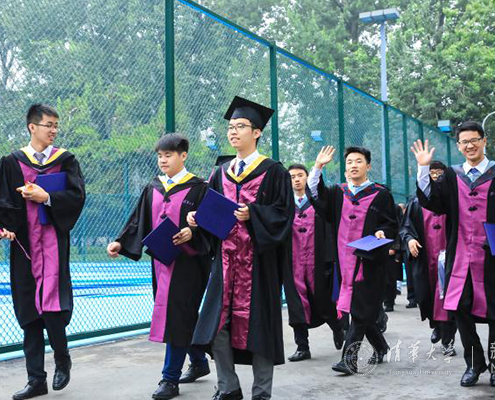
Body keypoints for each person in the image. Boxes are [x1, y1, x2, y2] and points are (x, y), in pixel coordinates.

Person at [411, 121, 495, 388]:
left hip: (494, 258)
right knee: (459, 310)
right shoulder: (452, 176)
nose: (470, 145)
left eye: (474, 140)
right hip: (460, 259)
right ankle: (474, 363)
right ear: (458, 146)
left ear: (484, 141)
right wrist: (423, 168)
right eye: (464, 142)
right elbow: (433, 203)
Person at [188, 96, 294, 400]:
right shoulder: (220, 173)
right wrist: (197, 219)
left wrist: (254, 214)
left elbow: (284, 215)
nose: (233, 131)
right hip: (224, 264)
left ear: (256, 132)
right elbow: (210, 213)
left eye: (241, 126)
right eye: (231, 127)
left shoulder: (274, 171)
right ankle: (228, 386)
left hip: (258, 264)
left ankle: (261, 392)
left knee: (260, 329)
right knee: (216, 326)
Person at [0, 104, 86, 400]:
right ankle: (36, 379)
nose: (53, 130)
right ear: (32, 127)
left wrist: (46, 196)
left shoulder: (65, 160)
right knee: (29, 312)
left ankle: (62, 359)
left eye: (56, 125)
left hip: (52, 244)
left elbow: (77, 196)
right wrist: (2, 229)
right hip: (25, 246)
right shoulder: (12, 162)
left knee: (52, 306)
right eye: (48, 125)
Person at [107, 133, 211, 400]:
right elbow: (138, 220)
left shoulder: (200, 187)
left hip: (188, 263)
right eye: (160, 156)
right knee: (181, 315)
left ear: (183, 156)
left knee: (177, 315)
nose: (163, 160)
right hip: (161, 264)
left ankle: (169, 379)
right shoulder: (153, 187)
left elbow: (212, 223)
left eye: (168, 155)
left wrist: (192, 232)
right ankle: (199, 361)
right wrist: (120, 242)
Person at [307, 145, 398, 375]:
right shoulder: (338, 192)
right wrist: (318, 167)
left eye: (358, 161)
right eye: (349, 162)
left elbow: (390, 224)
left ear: (368, 166)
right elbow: (316, 197)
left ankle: (349, 360)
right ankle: (381, 347)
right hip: (342, 261)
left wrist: (383, 232)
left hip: (369, 262)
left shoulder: (381, 194)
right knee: (361, 309)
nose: (353, 166)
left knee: (359, 309)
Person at [283, 164, 344, 363]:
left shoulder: (318, 202)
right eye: (292, 177)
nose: (296, 180)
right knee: (296, 304)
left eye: (300, 175)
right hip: (293, 262)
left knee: (323, 300)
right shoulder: (284, 205)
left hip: (318, 260)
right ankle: (302, 347)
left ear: (307, 177)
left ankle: (337, 326)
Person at [400, 161, 457, 356]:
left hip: (449, 258)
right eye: (431, 173)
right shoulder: (416, 203)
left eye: (439, 173)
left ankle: (448, 340)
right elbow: (405, 228)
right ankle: (436, 325)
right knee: (427, 295)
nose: (435, 176)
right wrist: (410, 240)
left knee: (449, 297)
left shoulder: (453, 202)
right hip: (425, 258)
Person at [384, 203, 405, 312]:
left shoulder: (395, 208)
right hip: (379, 247)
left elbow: (400, 229)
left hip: (391, 248)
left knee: (390, 278)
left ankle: (389, 302)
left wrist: (395, 248)